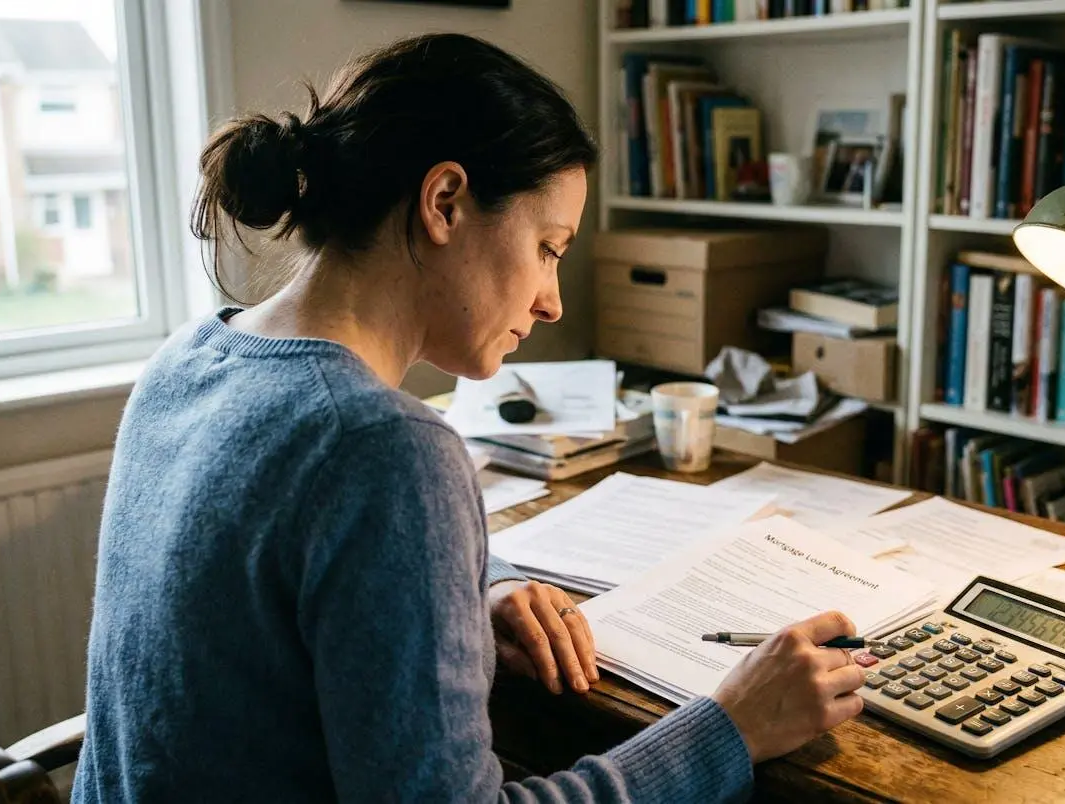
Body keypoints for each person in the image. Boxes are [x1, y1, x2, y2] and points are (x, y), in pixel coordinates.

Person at [73, 33, 866, 803]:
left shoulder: (187, 360)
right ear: (444, 201)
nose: (553, 300)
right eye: (550, 247)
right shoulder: (384, 448)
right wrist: (730, 727)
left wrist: (479, 582)